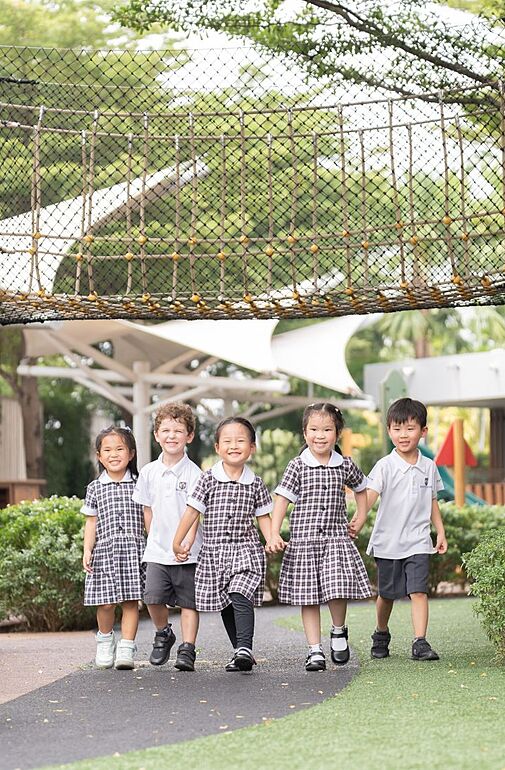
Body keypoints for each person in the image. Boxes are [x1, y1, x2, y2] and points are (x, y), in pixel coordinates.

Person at [267, 402, 371, 672]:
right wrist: (274, 532)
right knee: (308, 596)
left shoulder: (344, 464)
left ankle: (338, 631)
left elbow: (362, 488)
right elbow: (282, 500)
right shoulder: (297, 466)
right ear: (305, 433)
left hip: (336, 539)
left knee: (337, 589)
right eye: (313, 429)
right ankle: (314, 649)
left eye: (327, 429)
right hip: (304, 542)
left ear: (337, 433)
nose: (320, 435)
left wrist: (361, 516)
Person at [172, 417, 272, 673]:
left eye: (241, 441)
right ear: (217, 447)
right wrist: (178, 540)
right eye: (227, 441)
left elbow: (263, 517)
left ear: (252, 448)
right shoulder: (207, 479)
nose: (234, 445)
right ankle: (241, 651)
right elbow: (192, 512)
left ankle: (244, 648)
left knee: (240, 593)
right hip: (215, 552)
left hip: (246, 549)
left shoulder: (256, 483)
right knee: (227, 602)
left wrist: (271, 538)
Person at [356, 397, 447, 662]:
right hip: (388, 542)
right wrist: (359, 520)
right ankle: (381, 632)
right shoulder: (385, 465)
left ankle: (420, 642)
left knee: (418, 591)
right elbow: (370, 495)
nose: (403, 434)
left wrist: (439, 531)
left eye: (409, 428)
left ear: (423, 431)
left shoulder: (428, 466)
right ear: (389, 431)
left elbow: (432, 501)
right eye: (397, 428)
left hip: (418, 540)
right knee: (387, 594)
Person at [133, 403, 202, 672]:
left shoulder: (195, 473)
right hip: (157, 551)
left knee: (189, 601)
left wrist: (187, 542)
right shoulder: (149, 472)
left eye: (178, 430)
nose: (172, 435)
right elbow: (147, 510)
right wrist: (154, 539)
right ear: (156, 435)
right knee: (152, 597)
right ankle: (163, 633)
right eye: (166, 430)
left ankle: (188, 648)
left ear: (189, 436)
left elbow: (195, 513)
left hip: (188, 550)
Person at [83, 425, 145, 670]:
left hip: (133, 549)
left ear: (131, 454)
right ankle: (105, 640)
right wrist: (88, 549)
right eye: (107, 449)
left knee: (131, 601)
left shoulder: (140, 484)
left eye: (119, 448)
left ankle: (127, 648)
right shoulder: (95, 488)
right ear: (99, 456)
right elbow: (91, 521)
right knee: (106, 602)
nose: (113, 454)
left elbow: (148, 517)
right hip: (105, 551)